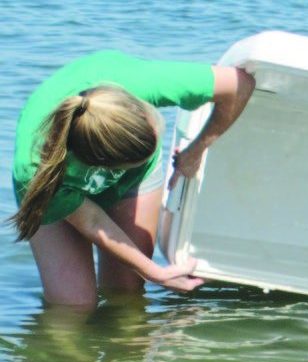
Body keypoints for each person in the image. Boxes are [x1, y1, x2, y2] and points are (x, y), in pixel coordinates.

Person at [11, 50, 256, 308]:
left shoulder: (142, 83)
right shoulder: (35, 167)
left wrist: (197, 150)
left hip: (122, 167)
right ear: (106, 165)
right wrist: (156, 273)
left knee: (126, 289)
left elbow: (240, 84)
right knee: (74, 304)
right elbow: (91, 220)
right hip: (53, 182)